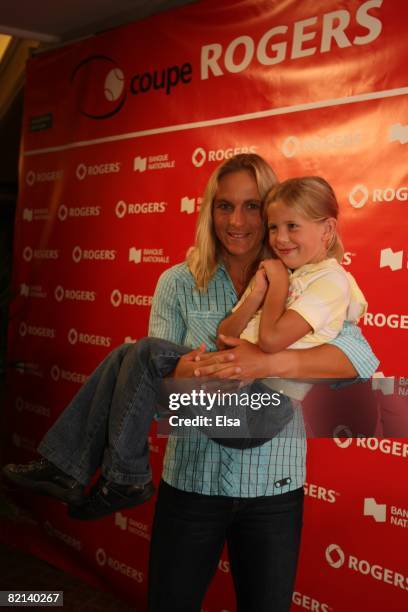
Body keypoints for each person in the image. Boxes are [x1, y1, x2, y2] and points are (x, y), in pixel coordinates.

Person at [2, 154, 378, 611]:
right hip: (191, 482)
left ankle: (104, 472)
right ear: (209, 212)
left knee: (136, 357)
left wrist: (259, 364)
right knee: (135, 358)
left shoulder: (309, 281)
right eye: (224, 206)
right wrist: (211, 366)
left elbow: (358, 362)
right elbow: (156, 399)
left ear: (275, 209)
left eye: (252, 207)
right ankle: (96, 471)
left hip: (273, 485)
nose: (237, 221)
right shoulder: (178, 283)